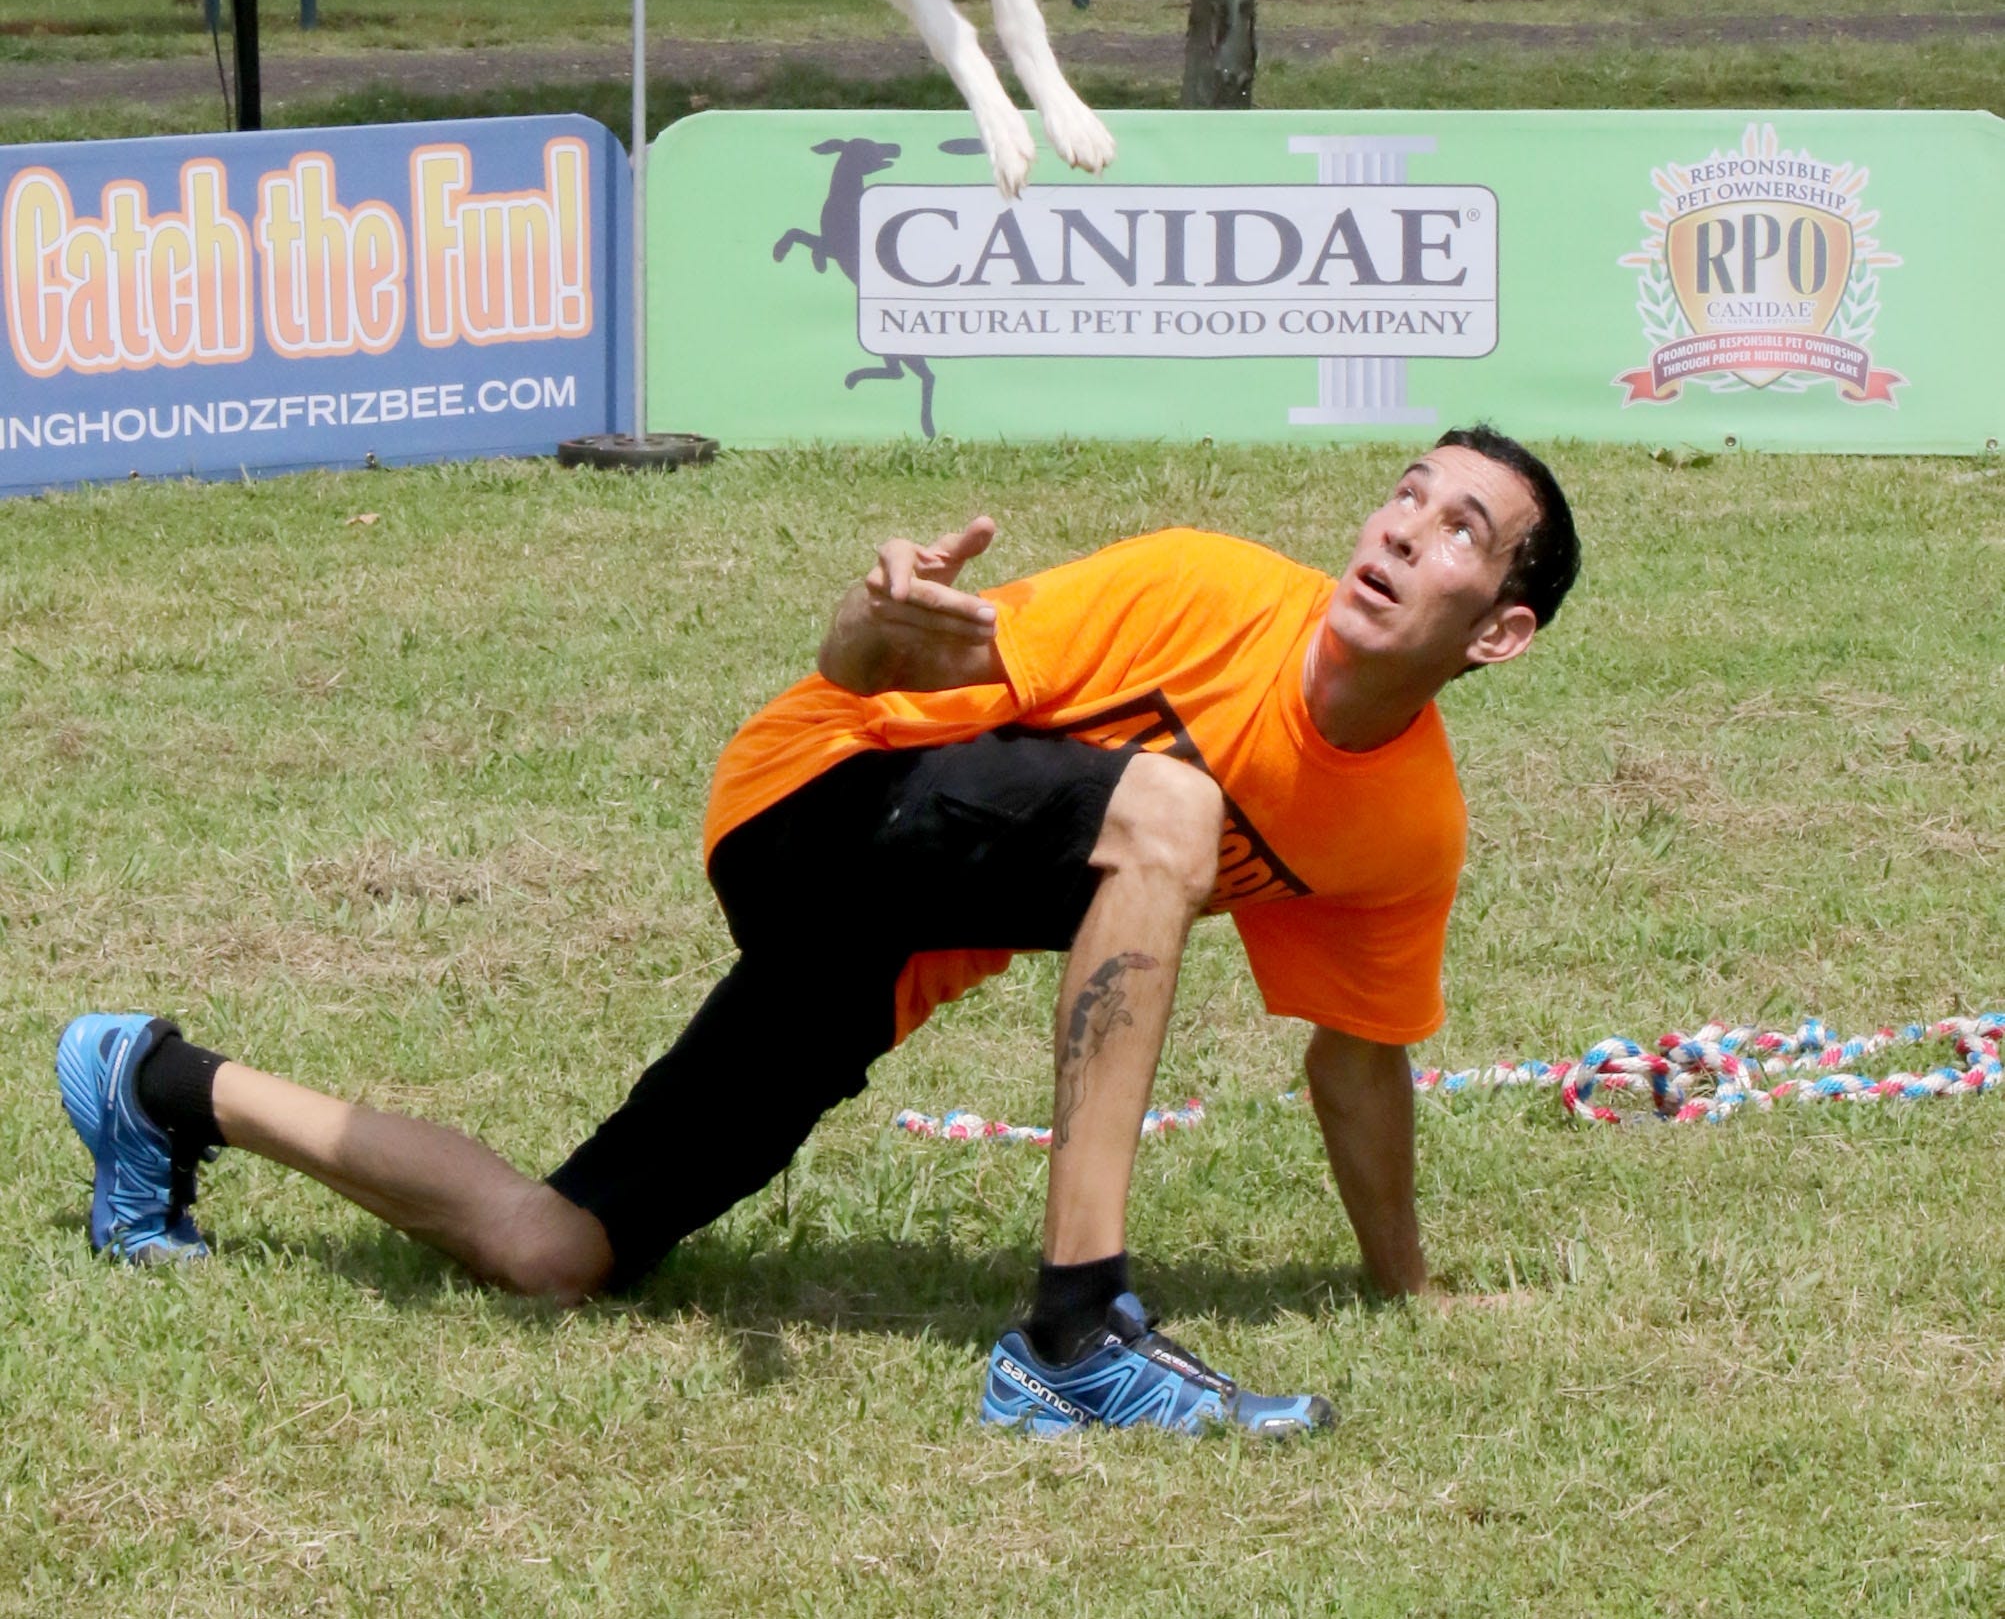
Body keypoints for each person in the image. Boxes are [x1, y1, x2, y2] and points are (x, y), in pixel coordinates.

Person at [55, 425, 1578, 1438]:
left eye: (1459, 530)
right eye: (1404, 492)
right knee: (1170, 813)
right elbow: (876, 655)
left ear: (1499, 630)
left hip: (878, 945)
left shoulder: (1402, 831)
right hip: (815, 799)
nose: (1399, 529)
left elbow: (1356, 1060)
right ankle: (1073, 1334)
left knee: (556, 1250)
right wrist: (873, 610)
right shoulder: (1203, 592)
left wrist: (1406, 1289)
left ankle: (159, 1085)